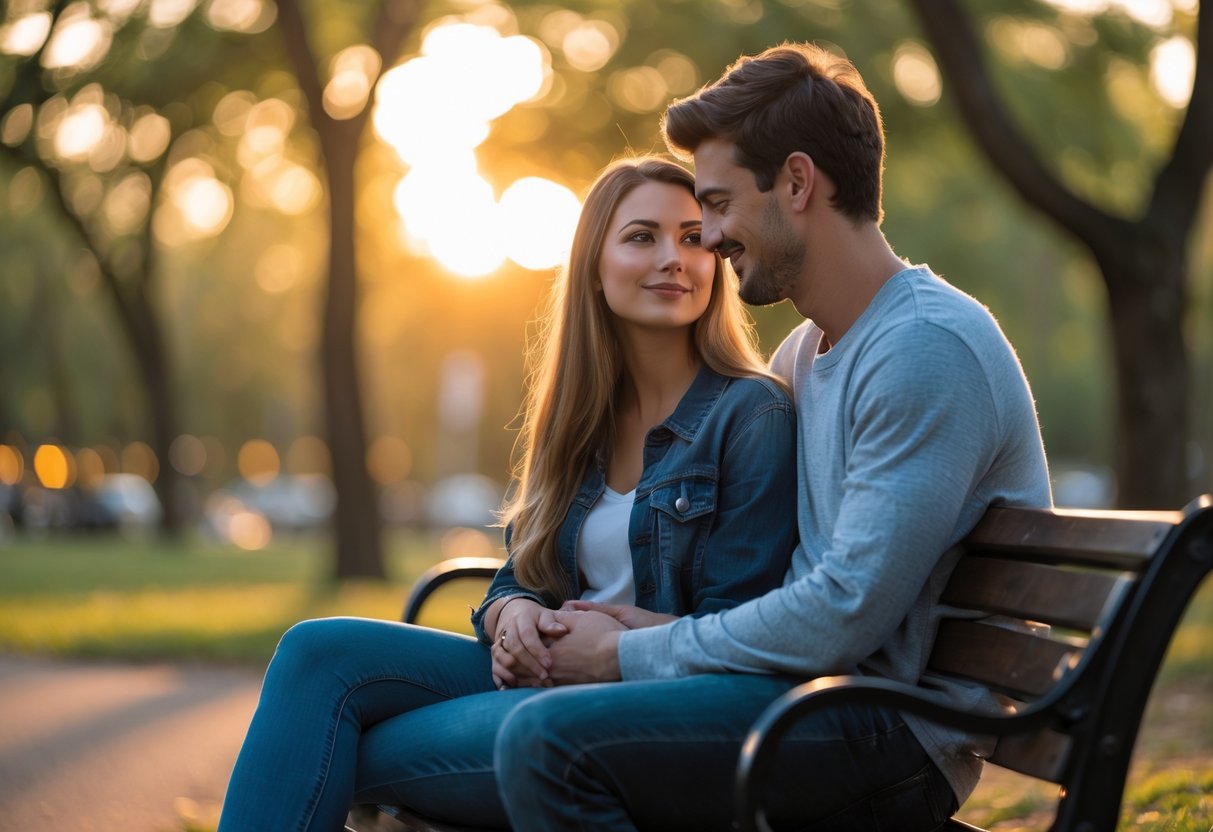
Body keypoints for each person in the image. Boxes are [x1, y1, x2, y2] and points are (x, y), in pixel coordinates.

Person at [490, 43, 1053, 831]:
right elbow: (803, 594)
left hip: (888, 735)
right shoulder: (806, 352)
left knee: (549, 743)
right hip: (814, 700)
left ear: (795, 182)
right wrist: (649, 627)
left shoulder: (926, 346)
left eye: (716, 205)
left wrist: (623, 655)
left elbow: (843, 612)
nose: (710, 238)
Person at [215, 156, 799, 831]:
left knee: (325, 741)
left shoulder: (751, 415)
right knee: (316, 654)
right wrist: (514, 615)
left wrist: (607, 647)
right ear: (593, 267)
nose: (673, 257)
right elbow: (516, 578)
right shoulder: (581, 419)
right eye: (642, 237)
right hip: (543, 676)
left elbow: (741, 635)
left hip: (642, 708)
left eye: (694, 237)